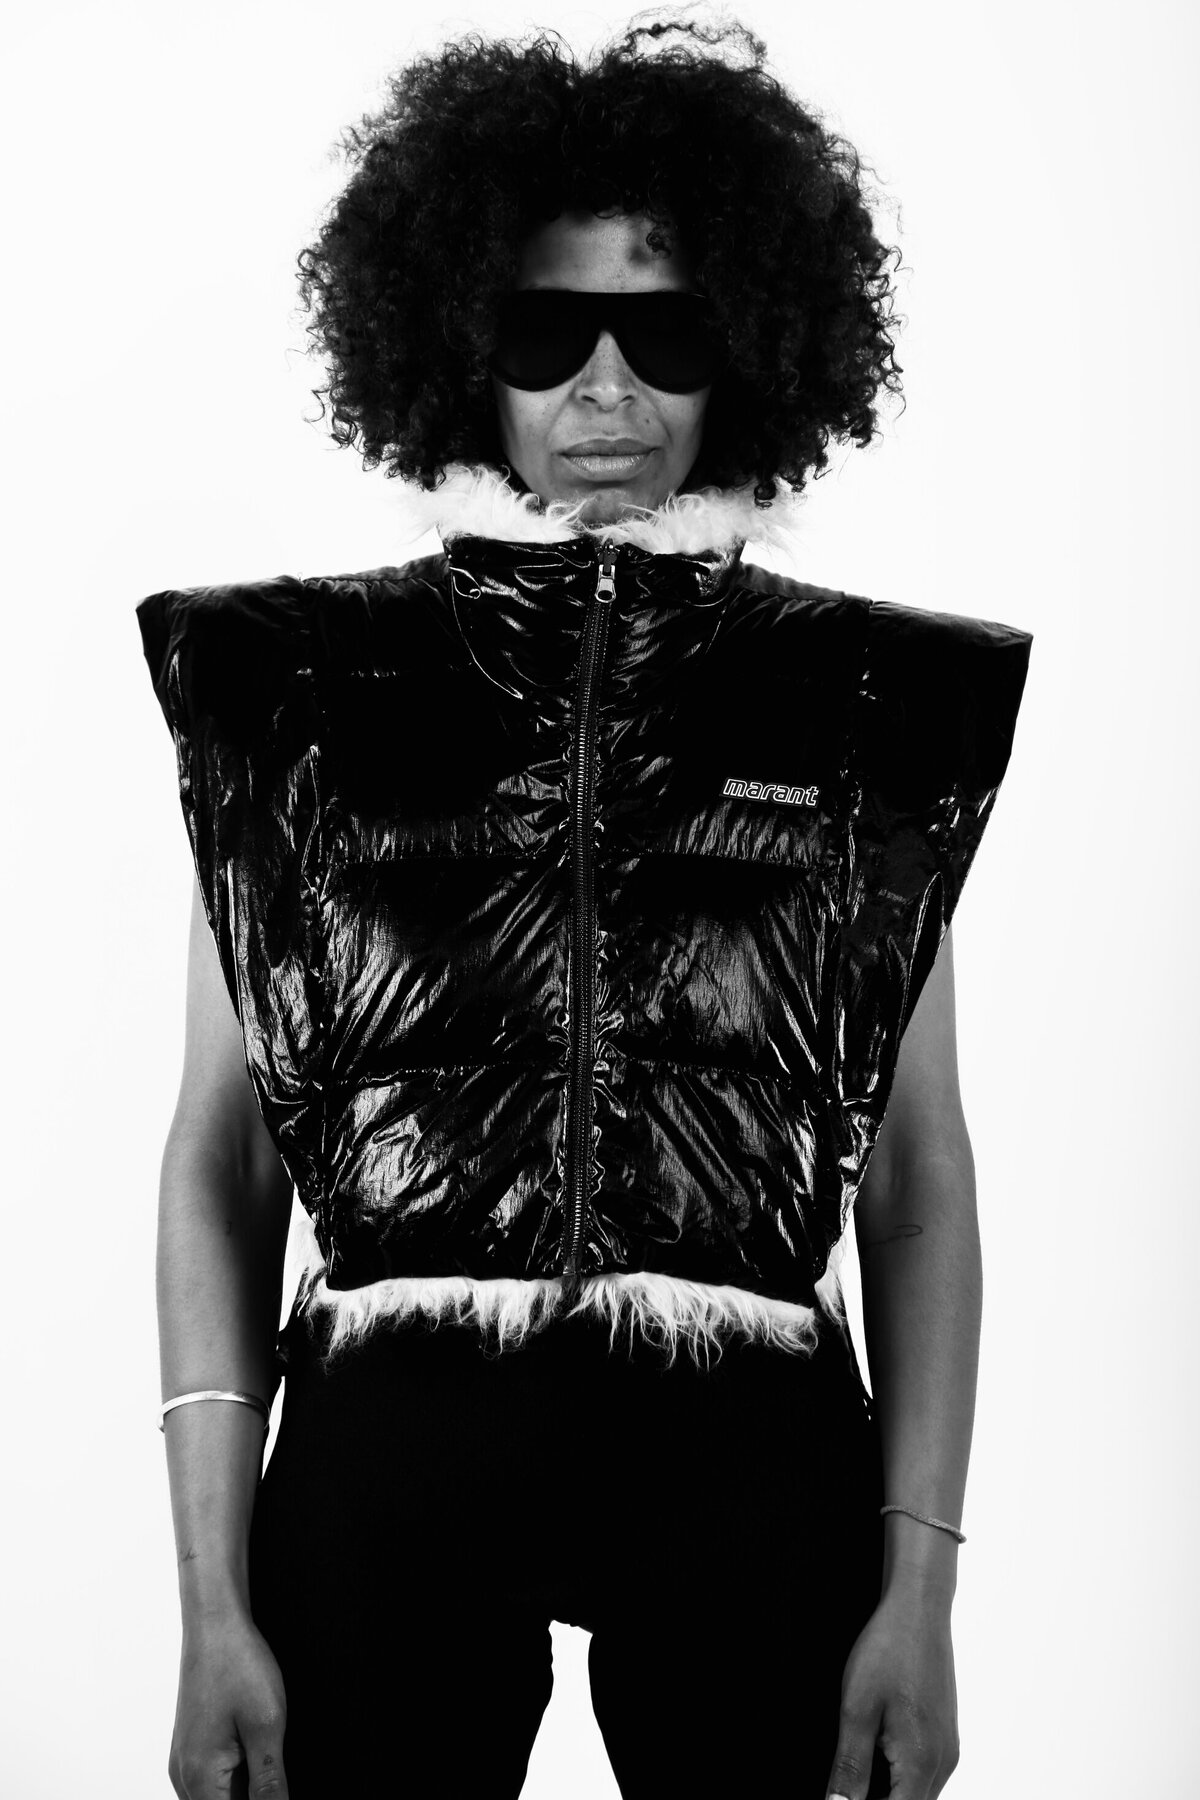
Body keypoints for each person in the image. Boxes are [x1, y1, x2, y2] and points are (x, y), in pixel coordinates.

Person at [138, 15, 1033, 1800]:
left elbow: (919, 1176)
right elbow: (219, 1158)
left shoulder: (869, 707)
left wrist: (921, 1594)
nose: (606, 393)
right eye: (548, 335)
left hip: (750, 1451)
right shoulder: (294, 687)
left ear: (751, 349)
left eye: (666, 333)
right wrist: (209, 1603)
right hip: (393, 1442)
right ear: (460, 351)